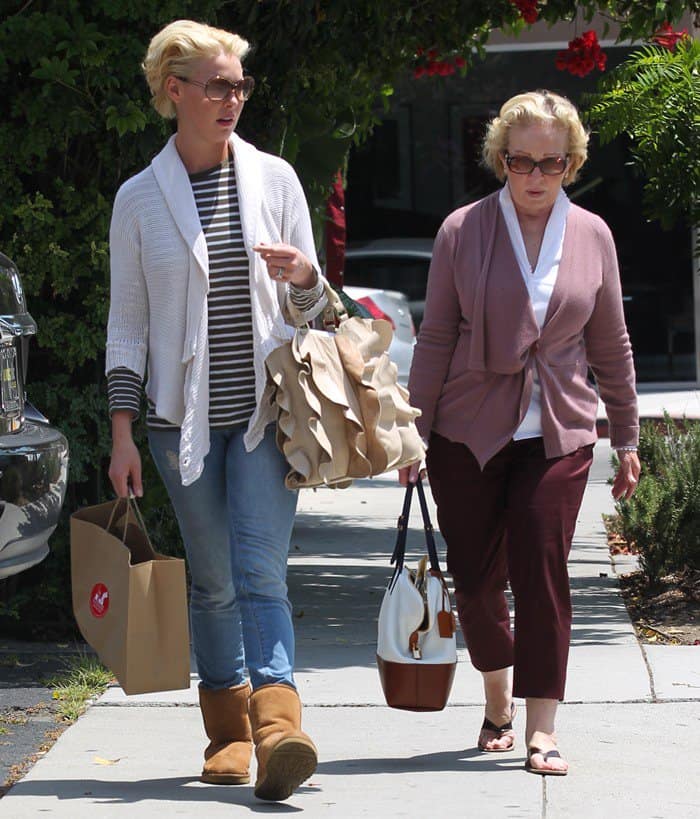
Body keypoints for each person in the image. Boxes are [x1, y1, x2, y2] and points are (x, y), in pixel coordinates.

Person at [106, 19, 325, 802]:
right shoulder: (139, 199)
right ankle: (228, 732)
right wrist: (122, 432)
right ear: (175, 90)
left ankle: (277, 729)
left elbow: (316, 312)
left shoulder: (276, 180)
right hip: (176, 426)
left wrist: (304, 275)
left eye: (240, 85)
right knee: (212, 582)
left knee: (260, 571)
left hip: (268, 415)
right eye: (216, 85)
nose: (233, 98)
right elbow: (127, 324)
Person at [399, 90, 641, 776]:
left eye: (552, 163)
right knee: (476, 581)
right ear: (501, 159)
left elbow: (612, 343)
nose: (536, 176)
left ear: (572, 163)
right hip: (466, 430)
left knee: (541, 570)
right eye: (521, 161)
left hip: (559, 431)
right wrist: (413, 432)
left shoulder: (592, 234)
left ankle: (542, 727)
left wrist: (626, 435)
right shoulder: (462, 230)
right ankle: (497, 699)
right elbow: (437, 334)